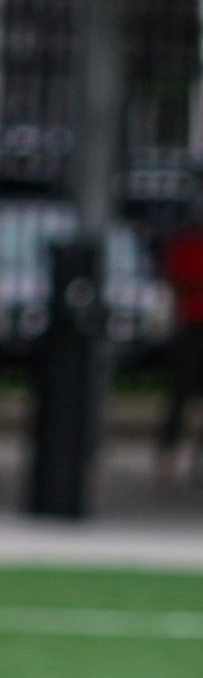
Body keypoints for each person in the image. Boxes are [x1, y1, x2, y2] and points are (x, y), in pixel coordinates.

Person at [156, 196, 203, 478]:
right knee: (181, 393)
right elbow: (177, 283)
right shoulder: (184, 246)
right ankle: (168, 452)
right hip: (192, 325)